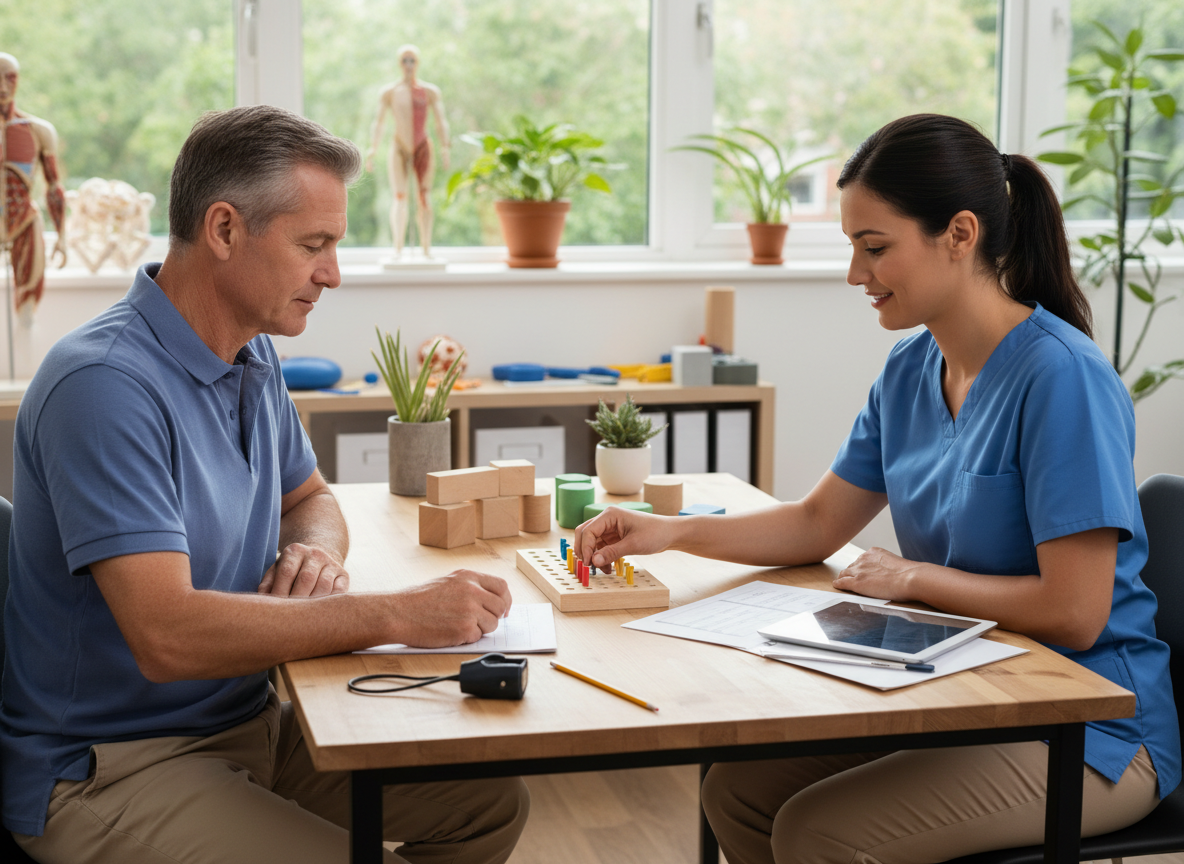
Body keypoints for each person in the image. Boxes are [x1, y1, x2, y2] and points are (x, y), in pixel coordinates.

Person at [575, 114, 1181, 863]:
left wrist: (915, 577)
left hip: (1091, 730)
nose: (856, 275)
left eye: (875, 248)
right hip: (970, 690)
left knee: (817, 832)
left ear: (959, 234)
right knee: (737, 790)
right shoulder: (908, 370)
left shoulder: (1063, 380)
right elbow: (816, 522)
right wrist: (665, 532)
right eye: (853, 249)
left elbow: (1076, 613)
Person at [1, 105, 528, 864]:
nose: (333, 274)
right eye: (313, 245)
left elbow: (309, 497)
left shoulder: (249, 353)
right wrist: (395, 614)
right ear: (223, 231)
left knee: (488, 803)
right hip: (111, 768)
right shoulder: (104, 384)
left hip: (251, 724)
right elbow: (165, 635)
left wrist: (315, 553)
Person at [366, 44, 450, 259]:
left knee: (425, 197)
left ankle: (426, 248)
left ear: (418, 63)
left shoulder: (430, 92)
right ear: (399, 63)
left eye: (412, 60)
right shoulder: (390, 92)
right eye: (405, 60)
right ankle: (398, 248)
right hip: (399, 146)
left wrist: (445, 147)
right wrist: (372, 148)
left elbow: (441, 122)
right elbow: (379, 122)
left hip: (423, 145)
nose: (409, 65)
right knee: (400, 197)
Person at [0, 52, 66, 318]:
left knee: (27, 315)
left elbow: (54, 187)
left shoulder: (38, 130)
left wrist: (62, 236)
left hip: (24, 222)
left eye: (10, 78)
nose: (3, 87)